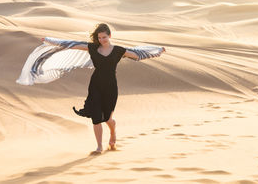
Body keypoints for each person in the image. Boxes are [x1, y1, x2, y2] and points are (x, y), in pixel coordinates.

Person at [41, 23, 165, 154]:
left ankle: (113, 132)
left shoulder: (118, 50)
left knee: (107, 118)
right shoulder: (92, 48)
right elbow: (71, 44)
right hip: (95, 85)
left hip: (110, 87)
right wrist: (50, 40)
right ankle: (99, 147)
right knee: (96, 117)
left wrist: (158, 51)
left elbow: (138, 54)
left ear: (110, 35)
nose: (101, 40)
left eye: (104, 37)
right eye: (99, 38)